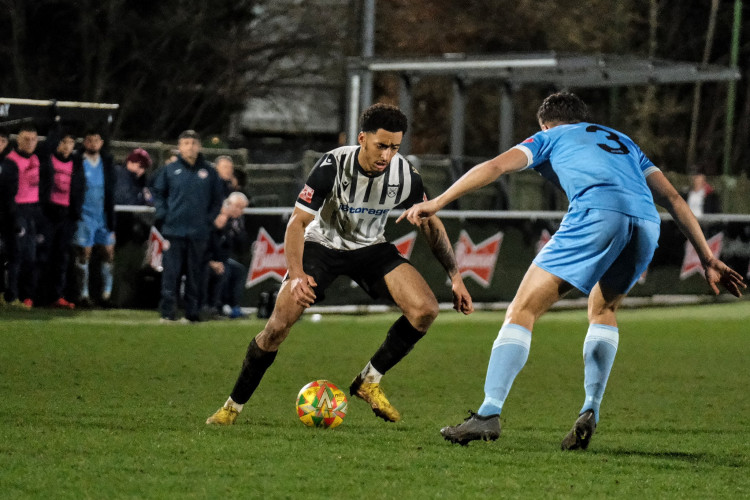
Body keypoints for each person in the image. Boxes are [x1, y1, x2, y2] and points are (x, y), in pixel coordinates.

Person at [398, 92, 746, 449]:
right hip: (646, 222)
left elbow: (496, 166)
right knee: (604, 308)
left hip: (597, 212)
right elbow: (673, 198)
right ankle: (590, 409)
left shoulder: (550, 136)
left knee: (522, 310)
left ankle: (488, 413)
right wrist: (707, 257)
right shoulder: (622, 141)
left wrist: (437, 202)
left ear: (545, 123)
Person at [206, 103, 474, 426]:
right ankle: (231, 407)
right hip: (323, 245)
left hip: (370, 247)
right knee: (277, 327)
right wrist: (297, 277)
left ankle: (368, 380)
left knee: (425, 309)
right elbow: (296, 224)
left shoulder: (405, 176)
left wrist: (456, 277)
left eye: (394, 147)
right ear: (362, 138)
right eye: (381, 145)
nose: (387, 155)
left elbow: (431, 224)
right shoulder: (333, 165)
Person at [151, 130, 224, 323]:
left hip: (199, 233)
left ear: (199, 146)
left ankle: (192, 313)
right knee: (170, 274)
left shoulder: (209, 171)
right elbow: (157, 193)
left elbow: (218, 199)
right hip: (173, 231)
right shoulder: (169, 169)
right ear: (179, 146)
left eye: (193, 142)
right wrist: (163, 214)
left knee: (195, 275)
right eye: (186, 143)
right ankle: (168, 313)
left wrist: (208, 220)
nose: (190, 146)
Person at [38, 131, 85, 308]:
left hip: (67, 216)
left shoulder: (76, 164)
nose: (66, 146)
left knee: (62, 258)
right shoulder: (48, 160)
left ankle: (57, 296)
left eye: (70, 142)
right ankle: (38, 295)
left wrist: (75, 211)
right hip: (49, 214)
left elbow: (80, 189)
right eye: (63, 142)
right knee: (43, 255)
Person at [73, 129, 117, 307]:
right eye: (89, 140)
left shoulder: (107, 162)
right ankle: (83, 294)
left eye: (96, 140)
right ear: (84, 142)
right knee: (84, 253)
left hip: (103, 214)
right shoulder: (78, 161)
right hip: (85, 214)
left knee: (108, 252)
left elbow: (111, 188)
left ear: (101, 142)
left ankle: (107, 294)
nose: (93, 143)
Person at [3, 124, 43, 308]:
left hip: (32, 211)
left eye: (33, 139)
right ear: (18, 140)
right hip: (17, 211)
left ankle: (25, 296)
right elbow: (8, 192)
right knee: (16, 256)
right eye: (26, 139)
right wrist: (13, 217)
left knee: (30, 256)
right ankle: (10, 296)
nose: (30, 143)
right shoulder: (10, 162)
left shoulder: (36, 158)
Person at [204, 191, 250, 319]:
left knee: (239, 270)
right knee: (224, 269)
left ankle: (233, 306)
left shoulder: (233, 222)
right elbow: (204, 243)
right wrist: (210, 261)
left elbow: (241, 247)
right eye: (238, 207)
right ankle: (215, 307)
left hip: (222, 259)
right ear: (228, 204)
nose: (240, 211)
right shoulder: (214, 216)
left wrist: (238, 230)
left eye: (242, 208)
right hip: (205, 258)